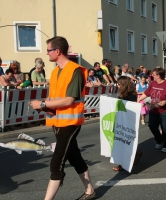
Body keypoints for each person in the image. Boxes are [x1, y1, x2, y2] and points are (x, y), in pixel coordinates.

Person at [29, 36, 95, 200]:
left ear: (57, 51)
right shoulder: (55, 71)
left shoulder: (75, 70)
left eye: (49, 50)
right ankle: (90, 191)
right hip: (58, 121)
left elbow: (69, 100)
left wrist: (43, 104)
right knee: (74, 156)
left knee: (56, 163)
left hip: (70, 122)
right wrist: (46, 107)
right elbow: (55, 98)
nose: (47, 53)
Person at [137, 68, 166, 152]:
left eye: (153, 75)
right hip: (154, 110)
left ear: (158, 76)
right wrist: (139, 100)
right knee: (152, 126)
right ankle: (159, 140)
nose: (151, 76)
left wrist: (165, 101)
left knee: (165, 128)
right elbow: (146, 93)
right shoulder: (153, 83)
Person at [112, 76, 143, 171]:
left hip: (129, 121)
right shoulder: (123, 94)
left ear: (124, 84)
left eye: (119, 84)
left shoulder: (131, 95)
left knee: (125, 142)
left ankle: (123, 163)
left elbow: (133, 109)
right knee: (122, 142)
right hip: (121, 120)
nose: (118, 85)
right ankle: (136, 153)